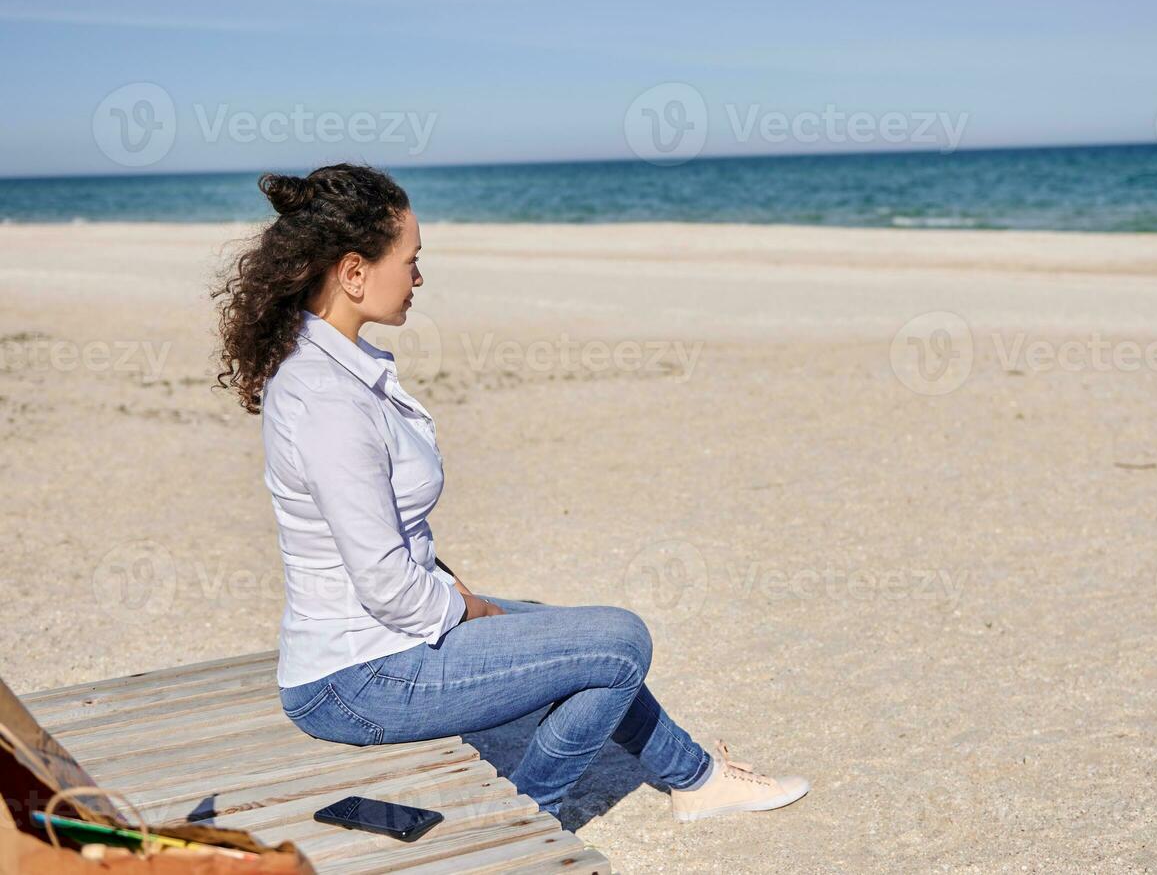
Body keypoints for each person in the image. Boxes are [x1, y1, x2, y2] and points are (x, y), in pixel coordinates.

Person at [209, 162, 809, 825]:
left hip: (377, 646)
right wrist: (468, 609)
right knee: (618, 644)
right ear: (353, 273)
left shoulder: (338, 370)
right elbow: (383, 584)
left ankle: (695, 781)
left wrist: (466, 599)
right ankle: (527, 819)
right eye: (410, 261)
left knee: (573, 629)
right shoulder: (327, 399)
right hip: (356, 680)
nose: (418, 277)